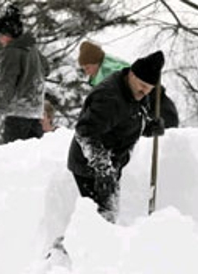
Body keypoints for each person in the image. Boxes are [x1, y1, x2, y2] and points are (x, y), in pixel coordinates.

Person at [67, 50, 167, 223]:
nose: (144, 91)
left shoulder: (137, 94)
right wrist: (102, 169)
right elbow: (85, 133)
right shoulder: (109, 98)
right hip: (89, 166)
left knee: (105, 220)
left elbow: (127, 122)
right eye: (142, 85)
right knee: (100, 221)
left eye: (149, 89)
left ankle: (78, 248)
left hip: (110, 165)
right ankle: (64, 249)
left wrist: (149, 127)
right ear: (131, 74)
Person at [78, 40, 179, 128]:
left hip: (160, 113)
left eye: (88, 67)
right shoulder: (104, 76)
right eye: (83, 69)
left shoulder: (111, 74)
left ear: (98, 63)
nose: (86, 72)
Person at [0, 4, 47, 144]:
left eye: (0, 36)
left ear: (8, 35)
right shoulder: (32, 48)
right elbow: (46, 69)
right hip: (36, 112)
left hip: (18, 113)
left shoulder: (12, 51)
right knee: (31, 158)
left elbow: (7, 83)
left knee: (13, 159)